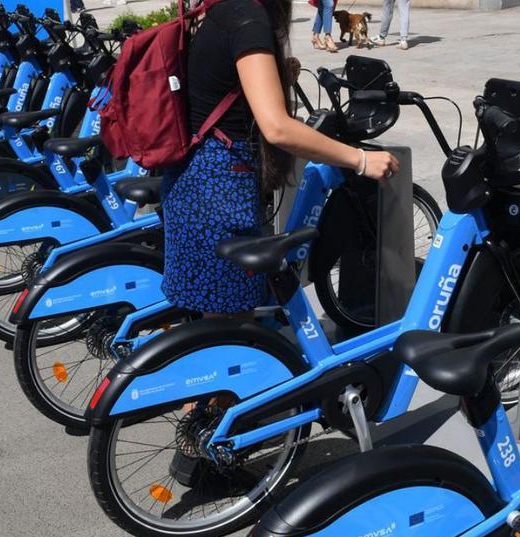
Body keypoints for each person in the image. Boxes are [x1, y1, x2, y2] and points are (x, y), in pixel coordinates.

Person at [161, 0, 397, 316]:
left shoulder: (217, 10)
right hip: (218, 194)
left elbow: (219, 85)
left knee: (216, 332)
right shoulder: (248, 19)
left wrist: (277, 76)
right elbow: (277, 129)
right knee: (228, 337)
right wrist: (360, 160)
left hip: (193, 183)